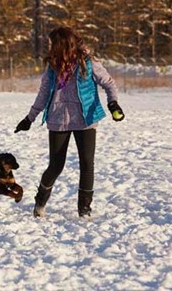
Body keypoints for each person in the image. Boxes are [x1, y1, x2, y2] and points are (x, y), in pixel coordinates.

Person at [14, 26, 124, 218]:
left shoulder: (88, 63)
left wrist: (113, 103)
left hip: (85, 119)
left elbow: (109, 83)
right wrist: (29, 118)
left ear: (62, 44)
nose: (50, 47)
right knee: (56, 166)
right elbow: (43, 95)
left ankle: (84, 209)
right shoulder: (52, 67)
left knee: (87, 164)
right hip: (58, 120)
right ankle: (40, 202)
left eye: (52, 43)